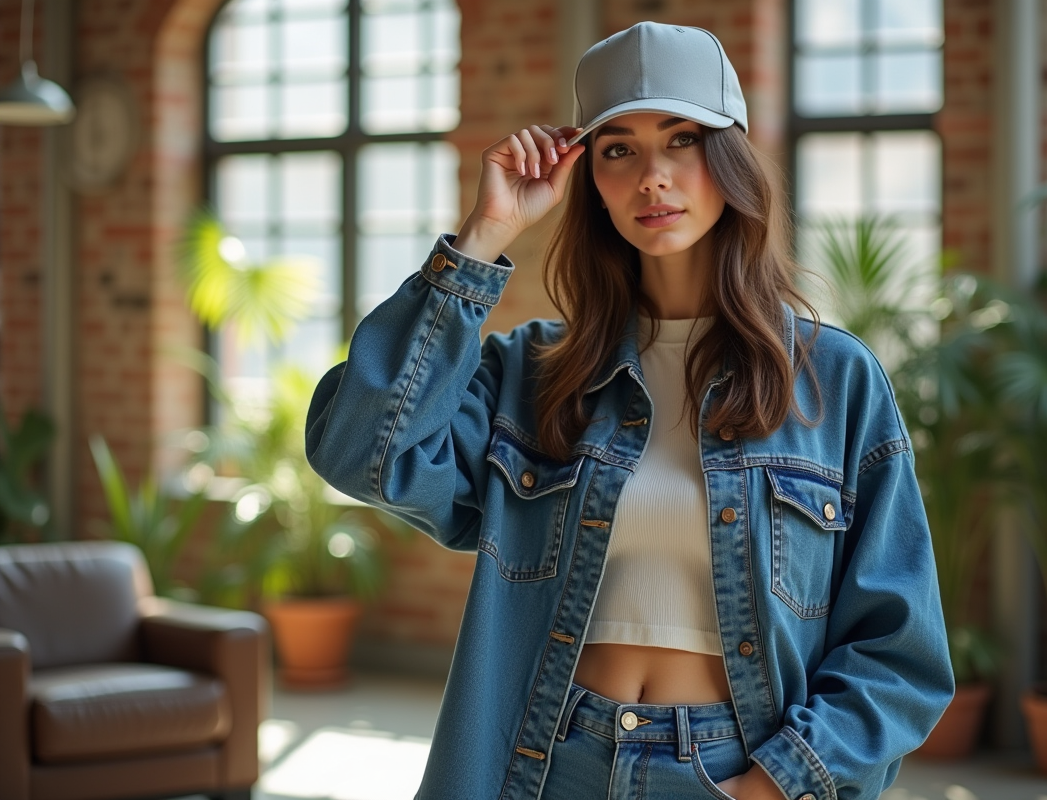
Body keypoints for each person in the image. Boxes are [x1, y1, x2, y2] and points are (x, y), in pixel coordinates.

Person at [306, 20, 954, 800]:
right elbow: (363, 454)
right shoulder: (532, 372)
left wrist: (774, 787)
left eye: (682, 139)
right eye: (619, 149)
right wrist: (482, 239)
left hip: (738, 771)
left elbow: (900, 652)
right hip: (549, 761)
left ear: (730, 161)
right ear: (591, 178)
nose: (653, 176)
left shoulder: (833, 379)